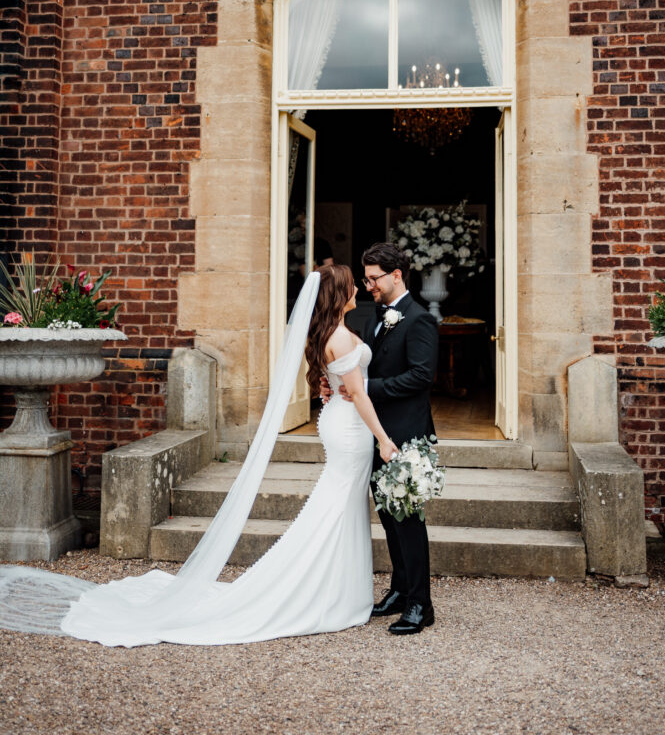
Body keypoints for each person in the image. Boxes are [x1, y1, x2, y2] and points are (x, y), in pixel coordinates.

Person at [0, 266, 397, 646]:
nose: (358, 291)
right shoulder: (341, 338)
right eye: (352, 286)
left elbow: (346, 386)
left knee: (340, 503)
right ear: (339, 294)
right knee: (337, 505)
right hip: (350, 428)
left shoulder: (333, 333)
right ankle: (323, 590)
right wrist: (383, 437)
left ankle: (337, 587)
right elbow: (358, 393)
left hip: (342, 423)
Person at [326, 242, 439, 636]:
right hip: (374, 432)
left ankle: (421, 605)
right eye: (366, 279)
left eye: (374, 279)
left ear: (396, 275)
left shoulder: (419, 319)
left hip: (405, 434)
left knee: (408, 519)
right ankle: (400, 589)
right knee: (389, 517)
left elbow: (422, 377)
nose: (368, 285)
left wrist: (368, 387)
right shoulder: (375, 315)